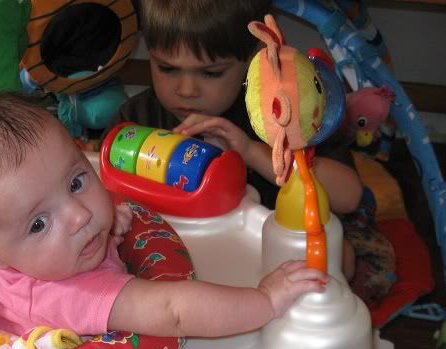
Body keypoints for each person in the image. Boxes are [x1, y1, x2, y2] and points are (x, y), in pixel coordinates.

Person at [0, 92, 327, 339]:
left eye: (76, 182)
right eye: (38, 224)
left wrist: (110, 221)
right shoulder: (67, 294)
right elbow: (173, 311)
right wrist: (264, 300)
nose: (79, 216)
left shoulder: (39, 245)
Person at [111, 0, 396, 302]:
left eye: (210, 73)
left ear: (253, 59)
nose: (186, 89)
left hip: (272, 248)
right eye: (167, 68)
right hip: (184, 250)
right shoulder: (135, 120)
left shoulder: (284, 113)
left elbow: (348, 195)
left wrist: (250, 151)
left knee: (348, 261)